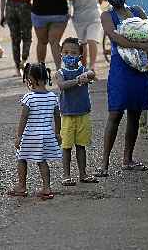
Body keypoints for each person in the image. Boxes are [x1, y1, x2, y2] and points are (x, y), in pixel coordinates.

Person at [94, 0, 148, 177]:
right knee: (115, 114)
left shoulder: (137, 11)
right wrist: (144, 46)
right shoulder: (107, 16)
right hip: (121, 70)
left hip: (139, 69)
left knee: (135, 114)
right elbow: (115, 37)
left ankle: (127, 159)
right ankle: (104, 163)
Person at [8, 63, 62, 200]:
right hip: (47, 134)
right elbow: (57, 116)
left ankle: (22, 186)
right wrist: (58, 133)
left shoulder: (29, 97)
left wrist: (19, 136)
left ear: (30, 79)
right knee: (42, 160)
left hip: (31, 134)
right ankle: (47, 188)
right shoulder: (52, 97)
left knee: (22, 158)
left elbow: (24, 117)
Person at [55, 38, 98, 186]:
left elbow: (92, 74)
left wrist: (88, 75)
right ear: (61, 54)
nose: (69, 55)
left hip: (83, 113)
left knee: (81, 145)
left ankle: (83, 173)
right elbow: (61, 85)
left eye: (73, 53)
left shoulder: (83, 69)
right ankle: (66, 175)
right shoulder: (60, 72)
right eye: (66, 52)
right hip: (67, 115)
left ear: (80, 56)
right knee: (66, 146)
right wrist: (78, 81)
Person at [58, 0, 105, 70]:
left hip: (80, 17)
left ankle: (83, 67)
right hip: (95, 14)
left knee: (83, 43)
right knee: (92, 40)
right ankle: (92, 65)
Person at [29, 0, 70, 70]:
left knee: (42, 42)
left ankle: (41, 68)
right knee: (55, 42)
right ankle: (59, 68)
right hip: (59, 14)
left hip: (40, 14)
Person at [0, 0, 33, 76]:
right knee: (27, 36)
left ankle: (17, 68)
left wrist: (2, 14)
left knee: (15, 39)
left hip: (10, 7)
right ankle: (24, 60)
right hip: (24, 6)